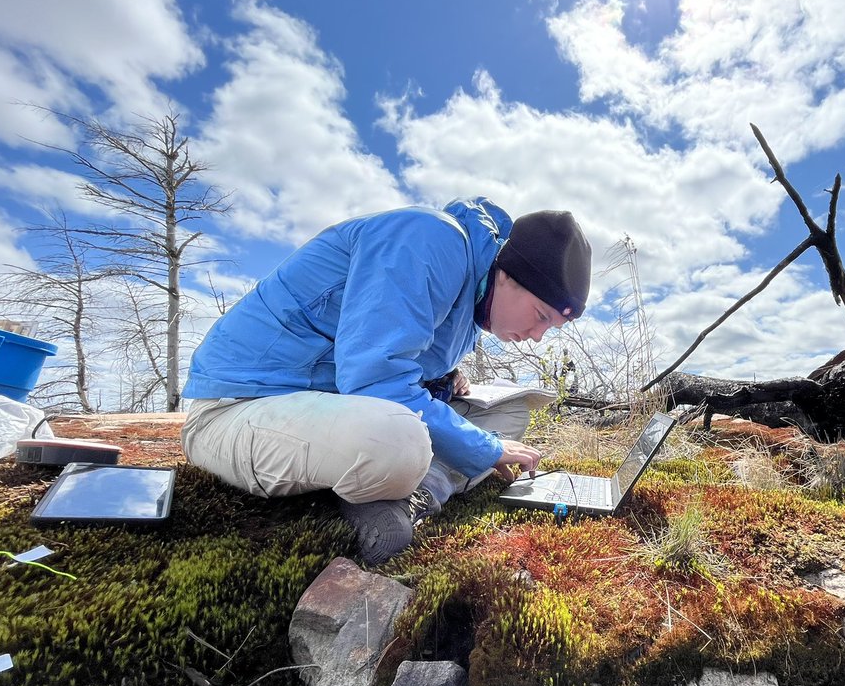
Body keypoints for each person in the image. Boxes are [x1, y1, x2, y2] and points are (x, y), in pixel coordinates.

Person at [181, 197, 591, 563]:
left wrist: (446, 380)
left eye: (550, 328)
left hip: (321, 414)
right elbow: (374, 382)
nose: (537, 336)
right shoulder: (428, 239)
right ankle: (395, 482)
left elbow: (392, 355)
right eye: (541, 316)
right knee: (398, 438)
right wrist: (483, 447)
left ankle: (414, 496)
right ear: (507, 275)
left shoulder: (472, 301)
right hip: (239, 409)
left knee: (512, 409)